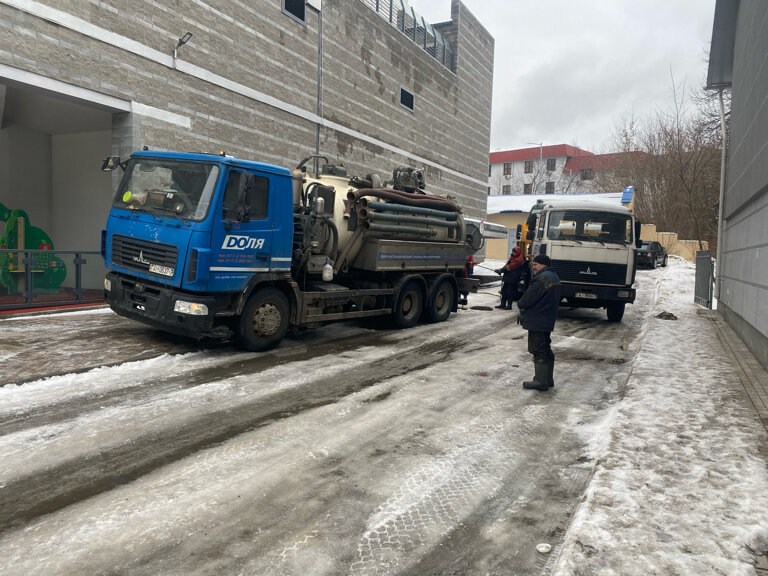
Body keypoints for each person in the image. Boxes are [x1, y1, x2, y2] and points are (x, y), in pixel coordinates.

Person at [516, 254, 561, 391]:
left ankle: (540, 381)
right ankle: (548, 379)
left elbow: (528, 299)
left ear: (544, 265)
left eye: (536, 264)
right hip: (546, 318)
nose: (533, 267)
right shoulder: (554, 277)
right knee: (545, 347)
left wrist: (520, 304)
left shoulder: (541, 279)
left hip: (538, 319)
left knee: (538, 349)